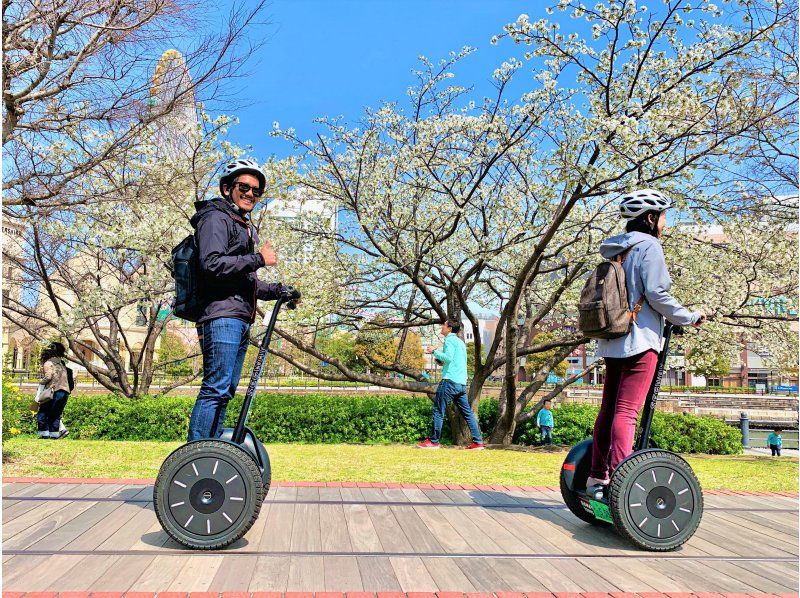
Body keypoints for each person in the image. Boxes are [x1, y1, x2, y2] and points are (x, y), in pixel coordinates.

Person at [586, 189, 706, 492]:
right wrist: (689, 317)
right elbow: (656, 293)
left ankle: (598, 475)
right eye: (664, 216)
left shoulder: (616, 249)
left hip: (613, 339)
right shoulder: (650, 246)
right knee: (627, 412)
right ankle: (621, 482)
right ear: (650, 218)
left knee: (609, 409)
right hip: (640, 340)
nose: (665, 223)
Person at [187, 158, 287, 442]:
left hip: (238, 317)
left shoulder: (239, 224)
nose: (250, 194)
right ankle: (196, 455)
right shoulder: (215, 218)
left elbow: (246, 282)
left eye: (256, 191)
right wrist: (258, 259)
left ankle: (213, 450)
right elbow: (212, 264)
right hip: (221, 317)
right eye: (244, 187)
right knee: (215, 389)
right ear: (227, 188)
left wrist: (279, 290)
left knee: (226, 389)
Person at [418, 317, 484, 450]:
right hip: (461, 383)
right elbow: (455, 361)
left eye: (444, 325)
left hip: (449, 381)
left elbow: (448, 358)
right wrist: (440, 361)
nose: (442, 327)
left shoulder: (449, 340)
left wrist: (434, 351)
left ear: (449, 328)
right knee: (468, 413)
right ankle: (478, 442)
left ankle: (433, 441)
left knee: (438, 410)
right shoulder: (460, 343)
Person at [36, 342, 71, 439]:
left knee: (43, 412)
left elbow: (48, 377)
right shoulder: (61, 364)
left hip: (53, 391)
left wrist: (41, 382)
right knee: (56, 414)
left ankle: (44, 434)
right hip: (64, 391)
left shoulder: (48, 363)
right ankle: (54, 435)